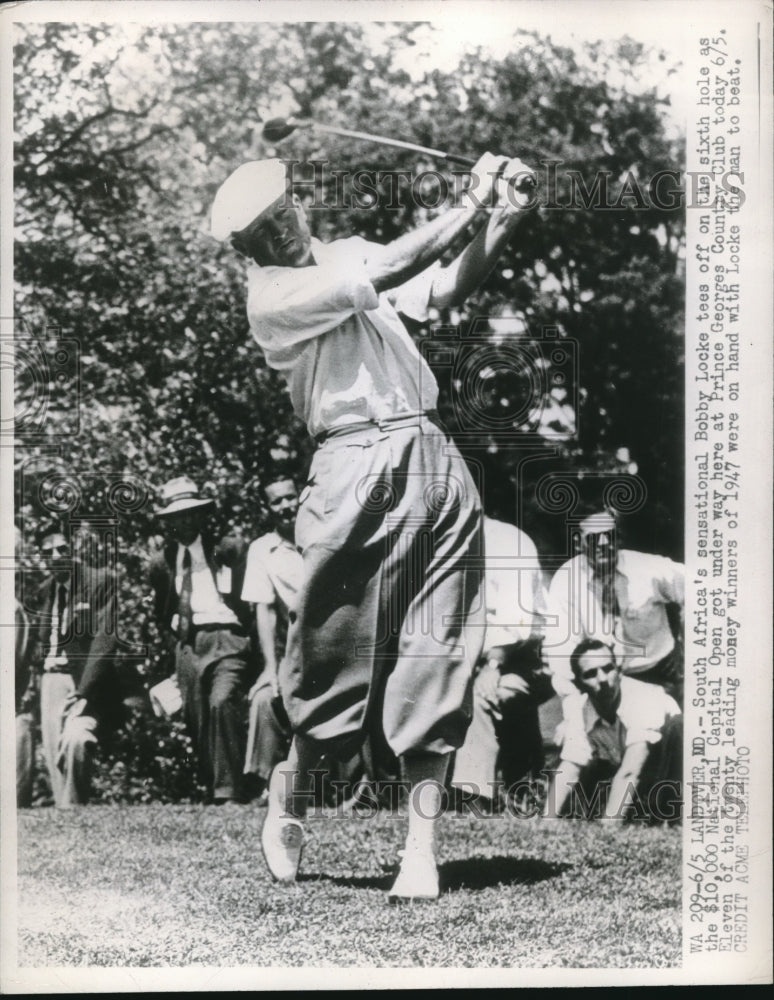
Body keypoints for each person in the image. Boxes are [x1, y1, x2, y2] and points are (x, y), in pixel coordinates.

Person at [210, 150, 537, 900]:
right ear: (246, 250)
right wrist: (471, 197)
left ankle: (418, 850)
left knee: (439, 648)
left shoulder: (345, 251)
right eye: (261, 232)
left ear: (297, 205)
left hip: (430, 448)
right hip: (352, 462)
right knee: (331, 670)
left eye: (283, 213)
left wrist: (502, 214)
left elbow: (445, 286)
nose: (279, 233)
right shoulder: (275, 296)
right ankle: (290, 794)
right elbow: (391, 269)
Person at [149, 475, 253, 803]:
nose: (185, 521)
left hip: (228, 638)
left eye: (191, 513)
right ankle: (215, 787)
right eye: (177, 516)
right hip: (189, 643)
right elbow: (160, 612)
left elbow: (251, 598)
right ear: (169, 522)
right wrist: (177, 648)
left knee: (222, 702)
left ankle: (229, 792)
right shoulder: (163, 560)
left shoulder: (227, 548)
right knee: (195, 715)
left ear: (201, 515)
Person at [451, 514, 552, 810]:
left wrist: (491, 667)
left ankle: (474, 797)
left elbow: (516, 625)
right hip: (467, 656)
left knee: (480, 697)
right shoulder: (437, 538)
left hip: (525, 656)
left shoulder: (509, 541)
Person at [26, 528, 124, 806]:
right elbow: (40, 642)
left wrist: (85, 692)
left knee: (76, 740)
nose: (56, 556)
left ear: (74, 549)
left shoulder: (99, 581)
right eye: (48, 552)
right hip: (51, 680)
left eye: (62, 549)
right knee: (54, 750)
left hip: (82, 679)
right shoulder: (45, 591)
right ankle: (66, 814)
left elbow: (105, 640)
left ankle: (73, 809)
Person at [544, 639, 682, 822]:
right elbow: (569, 769)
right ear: (578, 683)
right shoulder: (581, 706)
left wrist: (608, 825)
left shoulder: (642, 696)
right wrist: (546, 821)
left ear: (619, 670)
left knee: (680, 726)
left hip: (669, 769)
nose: (603, 679)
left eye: (608, 669)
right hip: (634, 773)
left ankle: (673, 815)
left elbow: (631, 770)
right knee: (561, 757)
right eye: (591, 674)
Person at [241, 476, 303, 800]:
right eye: (276, 502)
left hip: (332, 647)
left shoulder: (325, 537)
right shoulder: (262, 549)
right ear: (268, 509)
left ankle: (349, 787)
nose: (286, 507)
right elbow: (263, 610)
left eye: (290, 498)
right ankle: (267, 784)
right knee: (265, 697)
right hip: (288, 647)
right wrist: (270, 666)